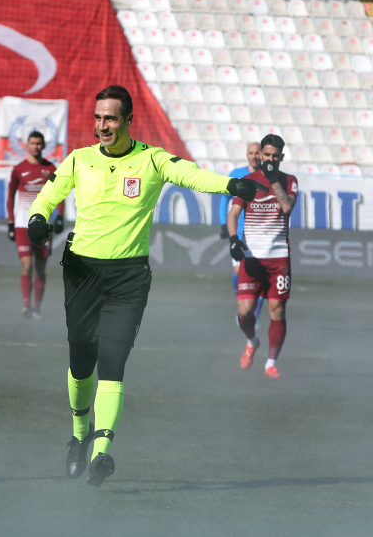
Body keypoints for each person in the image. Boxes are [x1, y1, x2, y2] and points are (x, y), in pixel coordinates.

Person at [27, 85, 266, 487]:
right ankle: (80, 436)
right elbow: (47, 196)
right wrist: (37, 220)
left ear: (128, 120)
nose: (103, 125)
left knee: (112, 361)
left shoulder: (152, 159)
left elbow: (190, 174)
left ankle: (102, 452)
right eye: (98, 118)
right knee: (81, 363)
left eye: (111, 118)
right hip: (81, 272)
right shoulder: (79, 159)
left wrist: (230, 185)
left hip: (129, 277)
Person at [226, 134, 297, 379]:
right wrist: (233, 239)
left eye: (275, 156)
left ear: (281, 157)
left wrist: (274, 180)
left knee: (277, 310)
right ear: (261, 155)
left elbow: (286, 207)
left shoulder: (289, 181)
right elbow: (233, 214)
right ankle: (252, 341)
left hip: (278, 258)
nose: (269, 159)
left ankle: (271, 363)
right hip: (252, 257)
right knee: (245, 312)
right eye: (266, 155)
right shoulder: (247, 181)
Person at [6, 130, 64, 319]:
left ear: (44, 145)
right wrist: (11, 222)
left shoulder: (50, 168)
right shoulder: (18, 169)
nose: (36, 147)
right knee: (27, 266)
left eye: (39, 143)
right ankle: (26, 306)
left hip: (43, 226)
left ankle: (37, 308)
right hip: (22, 225)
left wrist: (60, 216)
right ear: (27, 145)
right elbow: (10, 195)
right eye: (32, 143)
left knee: (40, 268)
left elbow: (59, 193)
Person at [219, 142, 265, 323]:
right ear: (247, 155)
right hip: (239, 233)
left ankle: (255, 315)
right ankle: (242, 309)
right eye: (251, 153)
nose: (254, 156)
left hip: (261, 234)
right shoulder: (237, 174)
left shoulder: (268, 177)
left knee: (260, 276)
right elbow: (225, 199)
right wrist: (224, 224)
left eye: (257, 153)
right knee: (238, 271)